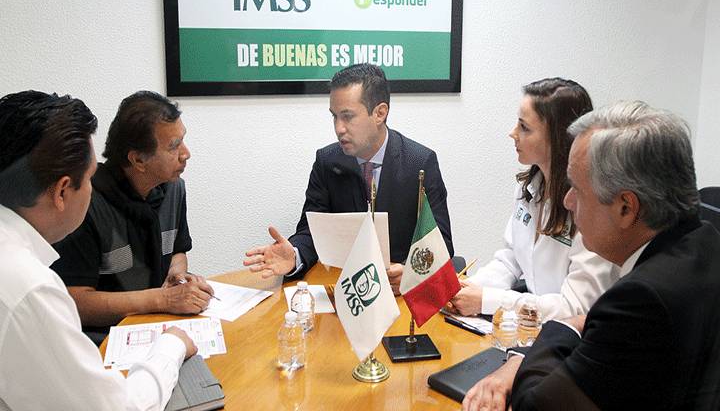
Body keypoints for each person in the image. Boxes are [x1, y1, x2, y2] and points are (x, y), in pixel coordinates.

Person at [463, 101, 720, 411]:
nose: (567, 201)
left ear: (626, 207)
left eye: (577, 189)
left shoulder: (640, 300)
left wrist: (554, 334)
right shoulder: (706, 241)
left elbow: (537, 405)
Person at [0, 90, 197, 410]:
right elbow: (117, 407)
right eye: (90, 177)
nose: (93, 188)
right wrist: (172, 347)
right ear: (63, 191)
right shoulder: (30, 289)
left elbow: (177, 251)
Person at [244, 63, 453, 294]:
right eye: (334, 117)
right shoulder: (327, 161)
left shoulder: (419, 163)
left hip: (399, 295)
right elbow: (311, 231)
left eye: (347, 117)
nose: (339, 128)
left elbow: (440, 243)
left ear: (380, 113)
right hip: (346, 290)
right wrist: (295, 255)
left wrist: (410, 272)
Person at [448, 78, 618, 321]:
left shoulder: (591, 207)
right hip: (528, 327)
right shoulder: (529, 188)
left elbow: (576, 308)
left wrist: (489, 300)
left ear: (558, 137)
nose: (513, 134)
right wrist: (469, 288)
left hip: (569, 334)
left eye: (524, 127)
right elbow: (511, 260)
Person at [51, 91, 213, 342]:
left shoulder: (173, 188)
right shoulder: (85, 203)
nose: (186, 153)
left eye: (183, 140)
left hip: (158, 325)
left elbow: (177, 251)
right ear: (138, 159)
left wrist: (177, 277)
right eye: (174, 146)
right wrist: (162, 299)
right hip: (106, 339)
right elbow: (75, 300)